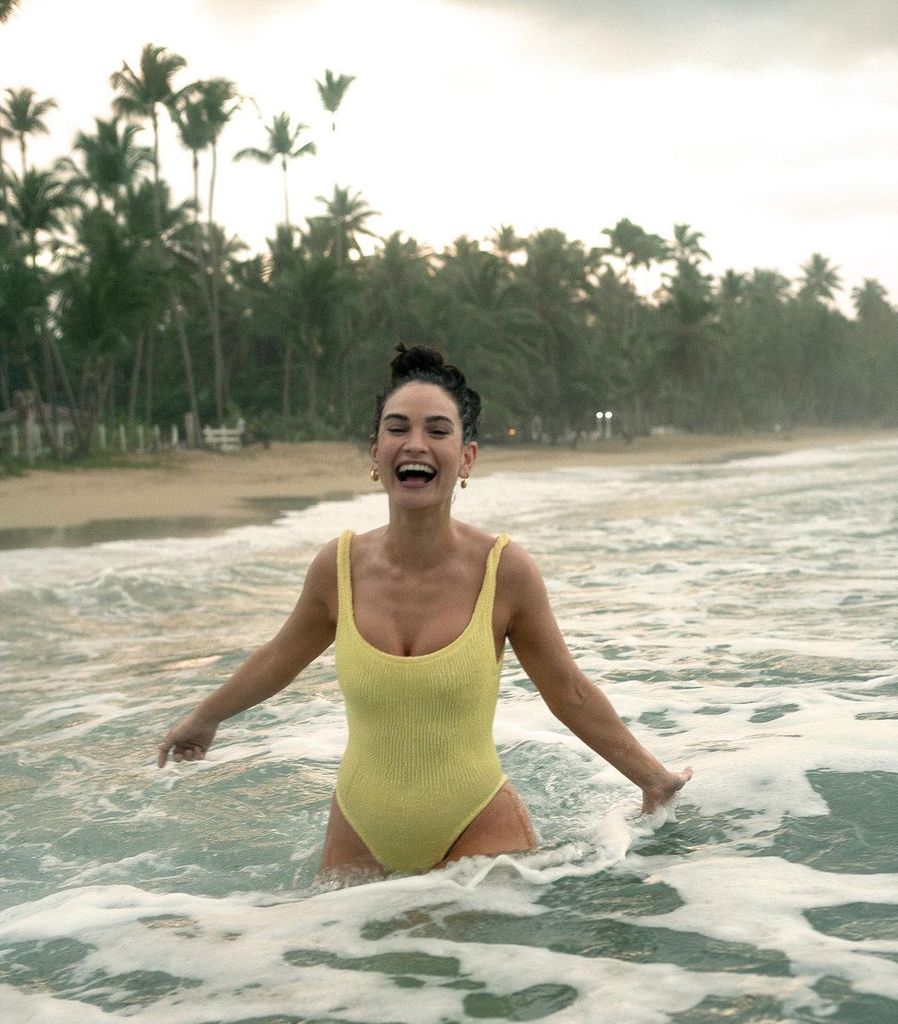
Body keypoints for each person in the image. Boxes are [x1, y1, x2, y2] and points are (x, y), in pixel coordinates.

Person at [157, 345, 692, 877]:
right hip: (359, 829)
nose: (416, 444)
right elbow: (279, 658)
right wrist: (206, 717)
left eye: (438, 431)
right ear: (375, 452)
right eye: (397, 429)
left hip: (478, 828)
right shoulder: (336, 567)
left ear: (466, 458)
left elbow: (568, 691)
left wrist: (652, 777)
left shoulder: (503, 571)